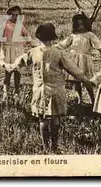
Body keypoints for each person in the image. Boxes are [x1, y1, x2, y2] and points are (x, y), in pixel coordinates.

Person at [9, 23, 89, 153]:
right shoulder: (58, 53)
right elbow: (73, 69)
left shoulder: (33, 52)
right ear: (53, 38)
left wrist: (10, 66)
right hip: (56, 91)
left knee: (43, 119)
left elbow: (20, 61)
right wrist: (85, 80)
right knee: (55, 118)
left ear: (39, 38)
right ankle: (54, 145)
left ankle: (46, 146)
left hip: (40, 90)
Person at [55, 12, 101, 105]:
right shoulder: (73, 35)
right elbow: (63, 44)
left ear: (86, 24)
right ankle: (80, 99)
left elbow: (97, 44)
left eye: (82, 24)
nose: (80, 27)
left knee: (87, 81)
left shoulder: (89, 35)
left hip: (84, 60)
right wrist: (52, 47)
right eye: (78, 25)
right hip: (73, 59)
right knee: (76, 81)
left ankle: (93, 99)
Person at [0, 6, 38, 100]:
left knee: (17, 72)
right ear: (8, 15)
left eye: (17, 15)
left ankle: (17, 92)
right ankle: (6, 93)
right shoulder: (4, 24)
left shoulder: (20, 25)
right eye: (13, 15)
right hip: (7, 49)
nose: (15, 17)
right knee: (8, 72)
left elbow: (28, 36)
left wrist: (36, 44)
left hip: (18, 50)